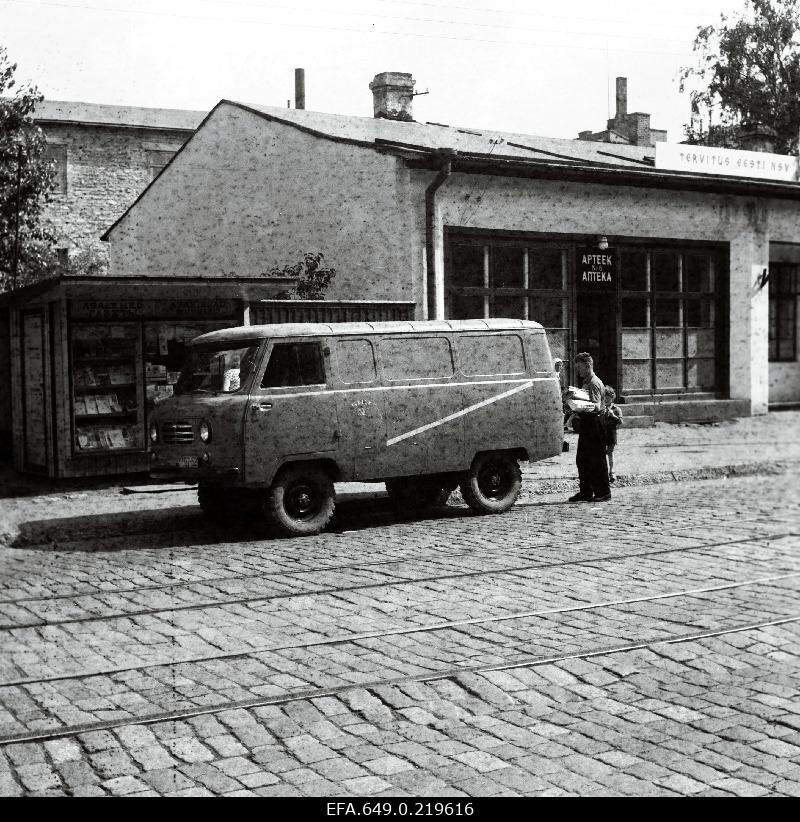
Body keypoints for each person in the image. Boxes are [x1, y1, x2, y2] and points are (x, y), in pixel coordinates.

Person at [568, 352, 611, 503]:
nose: (578, 371)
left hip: (594, 422)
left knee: (596, 460)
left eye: (579, 368)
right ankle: (586, 492)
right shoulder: (587, 381)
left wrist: (577, 406)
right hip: (588, 423)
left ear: (587, 366)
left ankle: (603, 492)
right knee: (583, 459)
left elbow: (596, 406)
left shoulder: (593, 383)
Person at [602, 386, 623, 484]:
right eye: (604, 396)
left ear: (612, 397)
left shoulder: (616, 409)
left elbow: (621, 422)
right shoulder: (600, 408)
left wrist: (613, 415)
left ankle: (612, 471)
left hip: (611, 434)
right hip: (601, 434)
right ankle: (603, 473)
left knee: (610, 453)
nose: (606, 399)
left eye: (608, 397)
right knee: (601, 454)